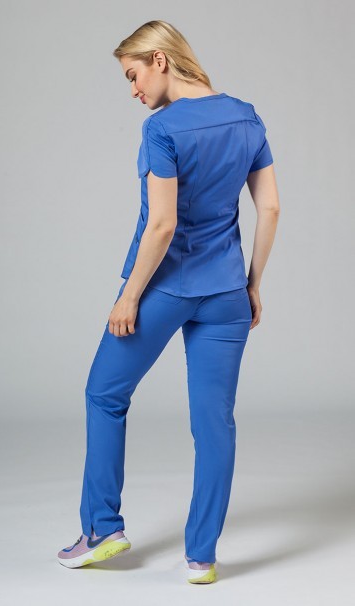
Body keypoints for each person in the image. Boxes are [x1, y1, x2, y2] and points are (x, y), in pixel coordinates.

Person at [57, 19, 280, 585]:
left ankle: (102, 529)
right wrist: (253, 284)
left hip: (163, 288)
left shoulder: (162, 128)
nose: (133, 90)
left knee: (104, 394)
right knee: (214, 423)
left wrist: (129, 296)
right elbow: (271, 208)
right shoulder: (247, 116)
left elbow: (162, 224)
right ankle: (201, 557)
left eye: (132, 75)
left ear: (160, 60)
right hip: (227, 293)